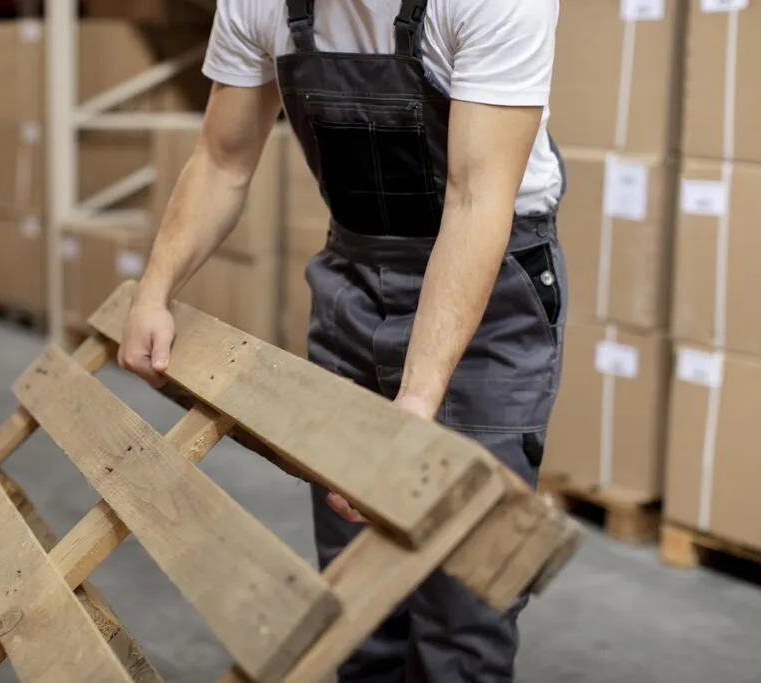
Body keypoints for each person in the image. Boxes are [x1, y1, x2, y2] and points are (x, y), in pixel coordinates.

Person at [118, 0, 566, 680]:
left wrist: (416, 401)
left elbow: (477, 199)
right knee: (358, 596)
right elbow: (221, 158)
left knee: (462, 607)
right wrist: (154, 289)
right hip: (353, 278)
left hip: (490, 290)